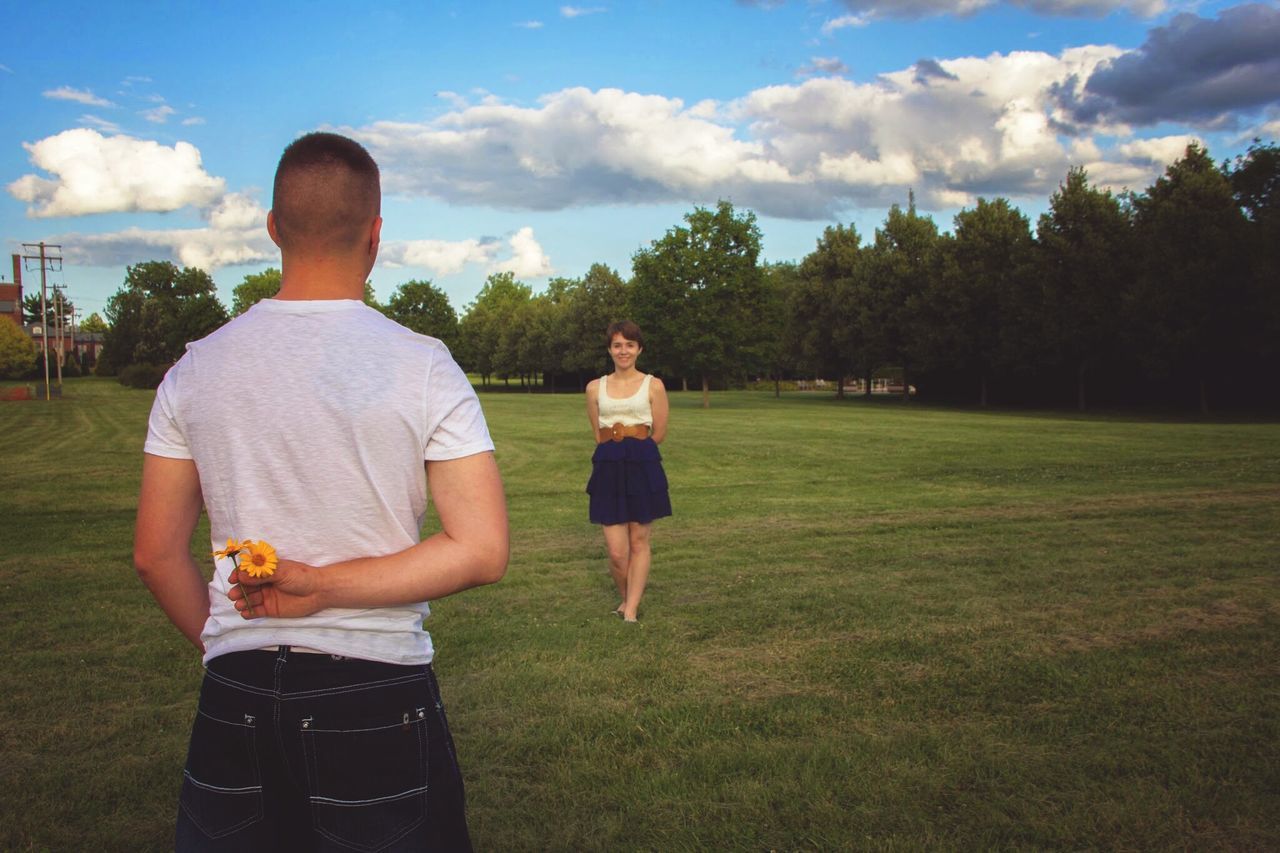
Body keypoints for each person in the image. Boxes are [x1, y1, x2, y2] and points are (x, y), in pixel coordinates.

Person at [134, 131, 508, 852]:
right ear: (375, 235)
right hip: (378, 692)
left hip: (234, 692)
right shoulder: (424, 365)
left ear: (273, 227)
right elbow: (483, 548)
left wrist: (232, 639)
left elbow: (155, 553)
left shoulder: (195, 368)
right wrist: (324, 589)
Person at [584, 320, 671, 623]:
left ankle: (630, 609)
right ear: (610, 349)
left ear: (639, 349)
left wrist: (636, 450)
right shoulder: (595, 388)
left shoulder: (654, 385)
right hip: (608, 466)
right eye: (618, 345)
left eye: (630, 345)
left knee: (639, 540)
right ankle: (625, 597)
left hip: (642, 465)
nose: (624, 351)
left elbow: (658, 431)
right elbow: (598, 433)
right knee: (618, 552)